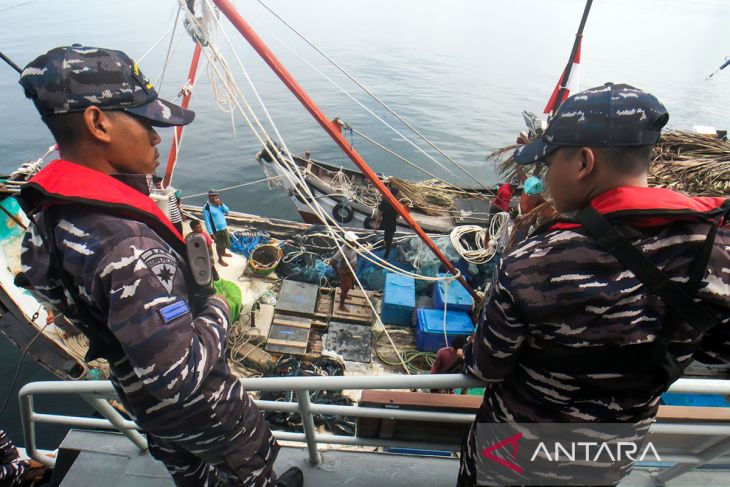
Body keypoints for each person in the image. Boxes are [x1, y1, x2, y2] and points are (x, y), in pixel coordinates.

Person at [16, 45, 301, 487]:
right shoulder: (128, 247)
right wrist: (223, 305)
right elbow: (179, 374)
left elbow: (52, 289)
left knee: (190, 476)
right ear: (98, 123)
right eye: (147, 122)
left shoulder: (50, 219)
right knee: (253, 472)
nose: (156, 137)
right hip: (206, 411)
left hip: (141, 402)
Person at [458, 83, 730, 486]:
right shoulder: (713, 248)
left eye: (549, 163)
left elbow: (487, 365)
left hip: (515, 453)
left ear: (584, 162)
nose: (545, 176)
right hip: (611, 452)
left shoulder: (532, 263)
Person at [203, 189, 233, 267]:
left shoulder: (219, 203)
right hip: (216, 230)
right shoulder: (206, 208)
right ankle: (220, 259)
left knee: (226, 242)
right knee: (219, 245)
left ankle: (223, 253)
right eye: (212, 195)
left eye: (216, 195)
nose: (215, 197)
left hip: (223, 227)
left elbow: (227, 211)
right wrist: (211, 233)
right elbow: (207, 222)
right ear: (209, 196)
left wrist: (221, 204)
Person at [330, 231, 358, 312]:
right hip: (345, 271)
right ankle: (341, 306)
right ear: (348, 241)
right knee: (345, 287)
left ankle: (345, 295)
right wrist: (338, 271)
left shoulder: (354, 245)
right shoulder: (342, 250)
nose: (354, 242)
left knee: (350, 284)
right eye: (352, 241)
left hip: (352, 269)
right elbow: (332, 261)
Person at [374, 185, 399, 259]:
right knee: (389, 241)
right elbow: (397, 217)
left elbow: (379, 213)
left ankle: (384, 244)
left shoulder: (385, 200)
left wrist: (376, 224)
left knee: (386, 236)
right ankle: (385, 257)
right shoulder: (396, 203)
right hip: (391, 224)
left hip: (384, 222)